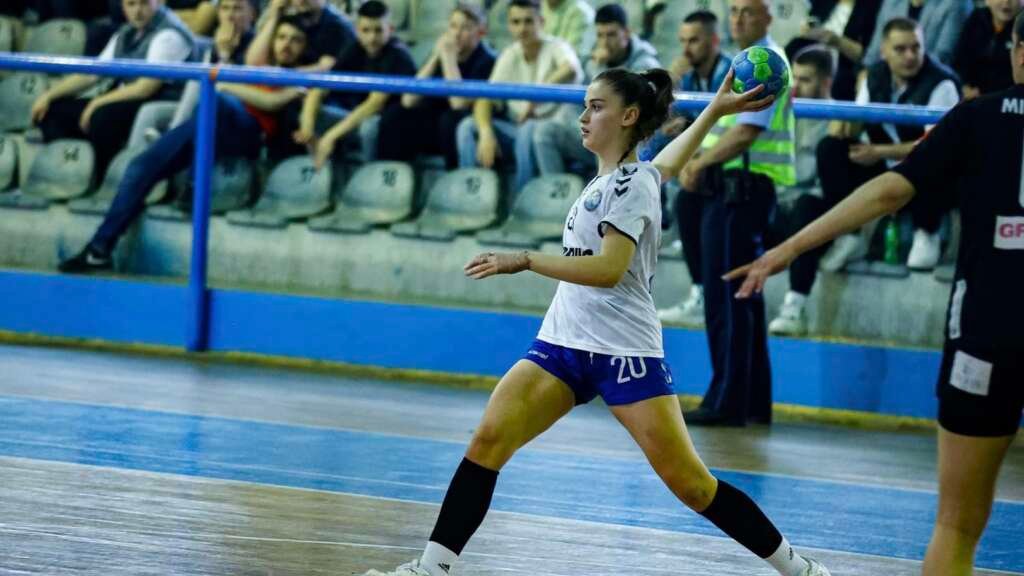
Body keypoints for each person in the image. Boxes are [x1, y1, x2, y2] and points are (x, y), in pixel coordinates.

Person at [359, 66, 830, 576]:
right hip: (562, 343)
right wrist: (713, 111)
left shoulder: (630, 186)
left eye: (596, 107)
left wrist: (527, 259)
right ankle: (430, 569)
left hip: (624, 353)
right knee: (487, 442)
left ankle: (800, 570)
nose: (583, 116)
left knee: (693, 486)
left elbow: (608, 270)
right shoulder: (623, 177)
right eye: (585, 106)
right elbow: (664, 165)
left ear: (628, 116)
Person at [726, 13, 1024, 573]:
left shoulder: (977, 117)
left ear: (1018, 51)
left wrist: (786, 249)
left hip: (986, 330)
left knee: (957, 524)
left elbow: (887, 192)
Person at [57, 17, 310, 274]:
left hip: (247, 134)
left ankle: (194, 182)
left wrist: (225, 84)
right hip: (208, 124)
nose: (287, 44)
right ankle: (98, 250)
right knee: (139, 166)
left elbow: (271, 103)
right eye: (282, 37)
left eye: (296, 40)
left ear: (305, 47)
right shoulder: (258, 63)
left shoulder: (303, 75)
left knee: (217, 100)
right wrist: (225, 75)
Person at [674, 0, 796, 427]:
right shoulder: (747, 62)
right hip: (735, 192)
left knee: (727, 297)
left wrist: (698, 162)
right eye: (734, 11)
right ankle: (751, 401)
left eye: (748, 11)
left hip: (740, 192)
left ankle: (727, 401)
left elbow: (746, 132)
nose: (739, 19)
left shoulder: (764, 63)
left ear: (768, 17)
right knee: (743, 298)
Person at [816, 17, 960, 272]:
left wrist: (878, 152)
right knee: (831, 148)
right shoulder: (874, 75)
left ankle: (927, 232)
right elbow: (859, 122)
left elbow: (937, 147)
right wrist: (842, 123)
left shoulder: (942, 83)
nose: (910, 56)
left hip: (925, 171)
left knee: (932, 161)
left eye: (916, 47)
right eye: (900, 49)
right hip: (885, 165)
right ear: (883, 51)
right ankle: (850, 233)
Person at [30, 0, 198, 184]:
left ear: (157, 2)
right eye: (131, 4)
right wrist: (49, 95)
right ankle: (66, 173)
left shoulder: (169, 35)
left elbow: (146, 87)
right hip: (129, 98)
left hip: (157, 101)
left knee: (103, 116)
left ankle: (103, 179)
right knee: (53, 111)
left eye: (144, 4)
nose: (137, 11)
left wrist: (97, 103)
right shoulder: (126, 33)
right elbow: (92, 74)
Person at [455, 0, 582, 196]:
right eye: (516, 22)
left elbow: (570, 69)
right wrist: (486, 132)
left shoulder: (557, 46)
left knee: (528, 128)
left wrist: (535, 96)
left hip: (552, 131)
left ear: (541, 22)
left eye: (528, 21)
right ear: (509, 25)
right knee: (467, 126)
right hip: (517, 128)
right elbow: (485, 99)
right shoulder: (510, 54)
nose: (522, 28)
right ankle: (470, 196)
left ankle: (523, 198)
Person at [655, 9, 732, 329]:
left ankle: (706, 292)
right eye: (683, 41)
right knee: (655, 140)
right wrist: (670, 81)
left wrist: (692, 141)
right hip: (699, 155)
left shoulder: (730, 72)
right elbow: (672, 115)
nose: (686, 49)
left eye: (694, 41)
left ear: (714, 41)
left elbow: (727, 126)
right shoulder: (687, 74)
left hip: (728, 163)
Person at [529, 4, 660, 181]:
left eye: (611, 35)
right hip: (596, 134)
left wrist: (601, 70)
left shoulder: (646, 64)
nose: (604, 42)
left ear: (627, 33)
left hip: (626, 141)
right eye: (600, 35)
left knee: (605, 138)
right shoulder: (592, 62)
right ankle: (557, 192)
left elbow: (626, 103)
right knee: (544, 132)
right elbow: (574, 105)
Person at [295, 0, 417, 168]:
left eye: (378, 30)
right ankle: (322, 172)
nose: (372, 38)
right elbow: (321, 86)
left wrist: (330, 137)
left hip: (394, 127)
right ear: (357, 30)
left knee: (369, 127)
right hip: (362, 116)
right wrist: (307, 129)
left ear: (390, 30)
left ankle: (370, 174)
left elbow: (375, 103)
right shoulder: (355, 48)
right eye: (366, 30)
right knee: (311, 113)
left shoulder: (398, 55)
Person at [766, 45, 835, 335]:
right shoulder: (782, 113)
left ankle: (794, 307)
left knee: (807, 208)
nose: (795, 87)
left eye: (805, 80)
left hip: (815, 212)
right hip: (780, 207)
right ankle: (710, 298)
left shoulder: (839, 120)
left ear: (826, 83)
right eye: (794, 79)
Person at [377, 3, 496, 169]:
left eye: (465, 28)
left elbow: (458, 103)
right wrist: (435, 57)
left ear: (480, 33)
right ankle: (390, 174)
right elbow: (408, 100)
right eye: (453, 26)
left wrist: (448, 58)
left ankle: (454, 179)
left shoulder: (487, 61)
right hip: (435, 127)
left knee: (450, 119)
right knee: (395, 114)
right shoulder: (442, 53)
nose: (457, 34)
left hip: (461, 126)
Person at [786, 0, 882, 101]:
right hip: (813, 50)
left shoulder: (872, 7)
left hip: (844, 64)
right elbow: (810, 21)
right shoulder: (824, 3)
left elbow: (867, 55)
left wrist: (836, 41)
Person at [245, 0, 355, 72]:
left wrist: (284, 76)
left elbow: (328, 68)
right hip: (282, 87)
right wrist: (274, 17)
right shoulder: (287, 17)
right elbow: (254, 64)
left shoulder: (338, 27)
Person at [864, 0, 970, 68]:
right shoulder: (891, 2)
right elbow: (876, 48)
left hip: (928, 76)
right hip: (887, 73)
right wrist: (867, 70)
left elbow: (942, 55)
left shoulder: (955, 3)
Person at [953, 0, 1024, 99]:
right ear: (987, 1)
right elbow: (959, 59)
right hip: (969, 95)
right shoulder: (977, 18)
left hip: (1005, 98)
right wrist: (963, 87)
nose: (1007, 2)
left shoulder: (1021, 29)